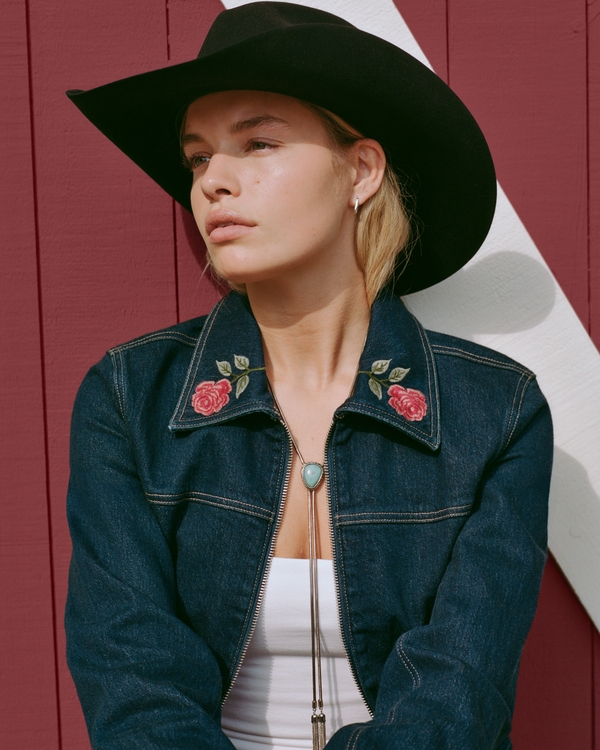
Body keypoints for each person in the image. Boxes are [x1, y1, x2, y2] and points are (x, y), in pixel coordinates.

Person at [64, 3, 553, 750]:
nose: (213, 182)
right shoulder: (131, 399)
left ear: (361, 170)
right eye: (198, 158)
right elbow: (134, 682)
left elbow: (456, 698)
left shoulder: (496, 411)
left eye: (258, 143)